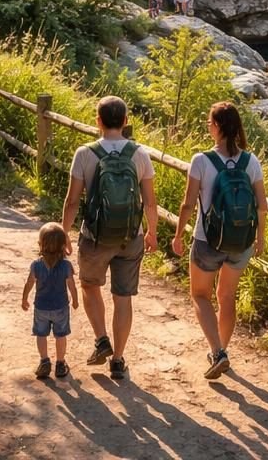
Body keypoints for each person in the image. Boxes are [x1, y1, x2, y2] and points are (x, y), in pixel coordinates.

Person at [61, 96, 157, 382]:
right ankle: (118, 360)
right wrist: (152, 232)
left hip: (95, 237)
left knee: (90, 286)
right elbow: (150, 202)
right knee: (123, 296)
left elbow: (72, 201)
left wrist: (64, 232)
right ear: (125, 121)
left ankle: (102, 338)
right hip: (131, 236)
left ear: (98, 120)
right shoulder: (139, 154)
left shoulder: (85, 153)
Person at [170, 102, 267, 380]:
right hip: (242, 241)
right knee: (227, 297)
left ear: (218, 126)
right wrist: (260, 238)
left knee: (200, 295)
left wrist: (178, 234)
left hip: (207, 240)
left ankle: (217, 352)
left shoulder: (201, 160)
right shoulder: (251, 161)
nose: (208, 127)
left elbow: (188, 204)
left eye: (209, 122)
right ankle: (222, 349)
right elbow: (262, 204)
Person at [22, 222, 79, 380]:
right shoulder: (66, 265)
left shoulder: (36, 265)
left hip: (41, 308)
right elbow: (72, 286)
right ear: (63, 246)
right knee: (60, 336)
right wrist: (75, 300)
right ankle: (60, 364)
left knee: (41, 334)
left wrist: (24, 298)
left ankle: (44, 361)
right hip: (60, 307)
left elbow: (29, 283)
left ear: (40, 244)